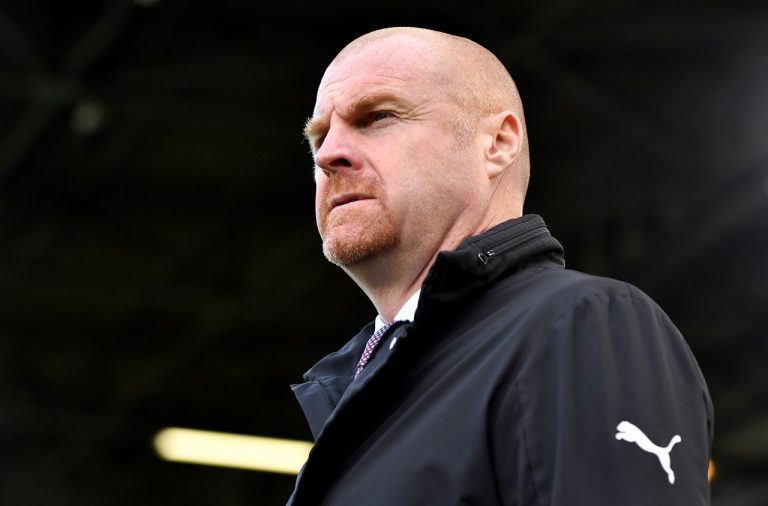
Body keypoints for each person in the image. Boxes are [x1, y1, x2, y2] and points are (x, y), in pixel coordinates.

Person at [288, 27, 713, 505]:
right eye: (319, 136)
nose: (328, 155)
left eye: (377, 117)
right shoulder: (363, 392)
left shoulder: (582, 321)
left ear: (497, 142)